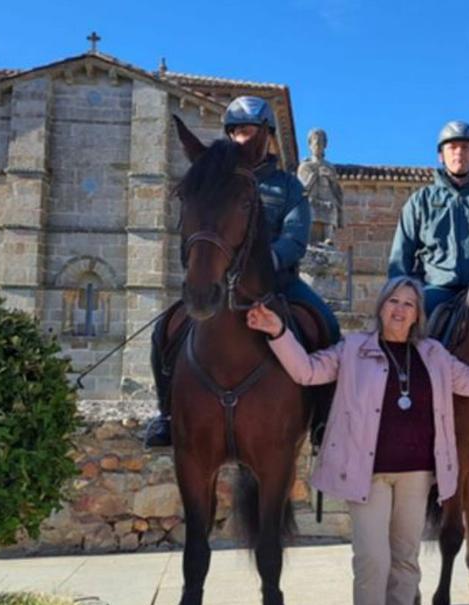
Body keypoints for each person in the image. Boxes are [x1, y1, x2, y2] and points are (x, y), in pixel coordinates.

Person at [246, 276, 469, 605]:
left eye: (409, 303)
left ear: (417, 315)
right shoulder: (354, 349)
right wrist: (278, 332)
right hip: (368, 475)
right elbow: (305, 371)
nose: (400, 309)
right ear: (381, 307)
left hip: (417, 475)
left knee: (406, 564)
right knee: (372, 563)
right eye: (393, 300)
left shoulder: (434, 354)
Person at [144, 96, 342, 447]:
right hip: (220, 281)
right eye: (234, 132)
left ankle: (324, 420)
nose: (240, 138)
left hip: (277, 283)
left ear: (266, 136)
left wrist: (267, 263)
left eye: (248, 131)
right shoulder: (215, 178)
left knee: (326, 323)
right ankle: (168, 415)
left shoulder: (288, 186)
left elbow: (296, 238)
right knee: (164, 330)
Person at [387, 121, 469, 318]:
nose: (459, 153)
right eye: (452, 147)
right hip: (435, 288)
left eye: (465, 147)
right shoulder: (420, 201)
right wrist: (398, 294)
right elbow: (401, 254)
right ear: (441, 156)